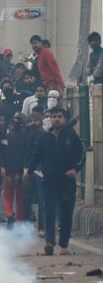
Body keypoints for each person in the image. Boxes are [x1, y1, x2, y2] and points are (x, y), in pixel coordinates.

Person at [27, 107, 83, 255]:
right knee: (49, 211)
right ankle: (49, 242)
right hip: (49, 180)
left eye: (59, 116)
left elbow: (81, 156)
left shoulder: (71, 136)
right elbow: (36, 156)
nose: (56, 119)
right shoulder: (44, 138)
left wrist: (75, 170)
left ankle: (64, 245)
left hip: (67, 180)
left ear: (64, 119)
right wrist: (29, 170)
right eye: (53, 117)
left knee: (66, 212)